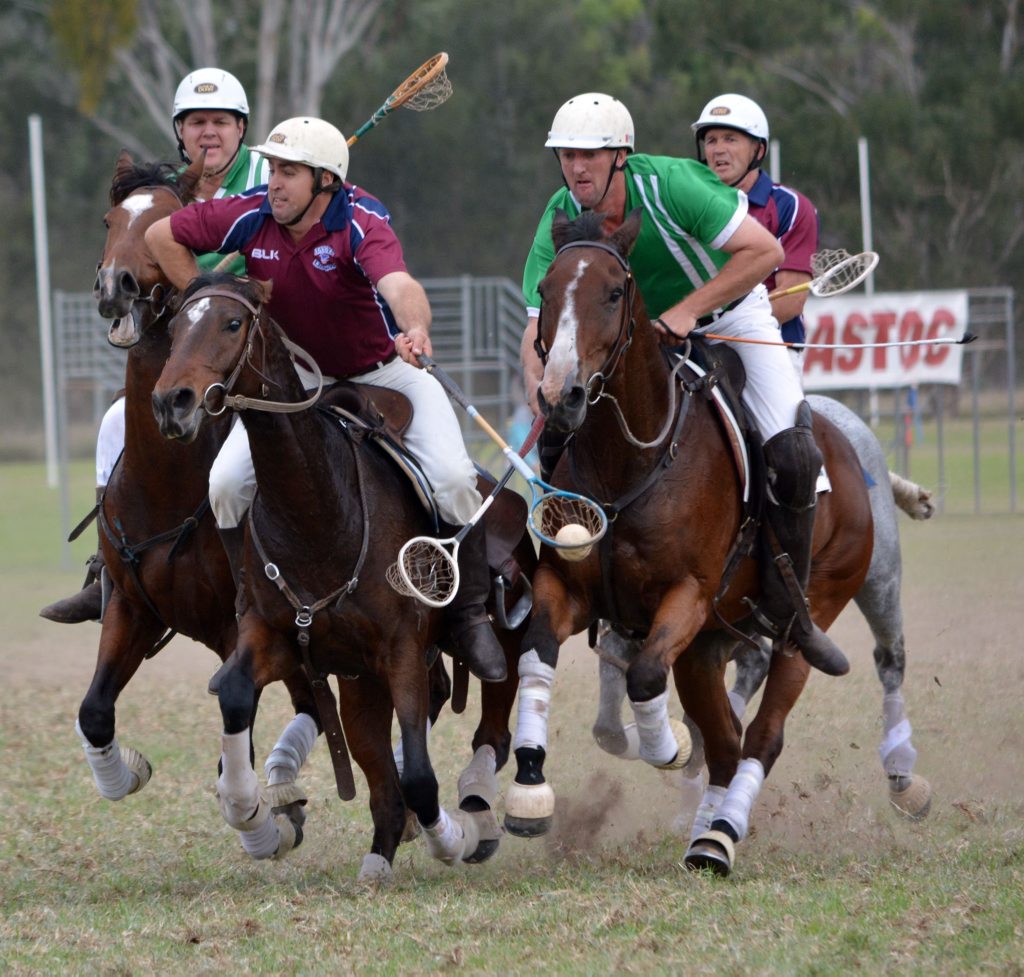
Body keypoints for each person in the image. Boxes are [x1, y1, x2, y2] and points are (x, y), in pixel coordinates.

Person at [143, 116, 507, 683]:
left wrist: (414, 327)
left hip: (385, 373)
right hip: (300, 385)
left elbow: (399, 285)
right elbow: (161, 236)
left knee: (455, 480)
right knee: (224, 486)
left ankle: (469, 614)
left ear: (326, 182)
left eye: (289, 172)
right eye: (272, 169)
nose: (275, 182)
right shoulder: (251, 211)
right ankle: (251, 609)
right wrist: (206, 294)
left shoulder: (361, 220)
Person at [519, 92, 848, 676]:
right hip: (635, 342)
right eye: (567, 155)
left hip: (731, 318)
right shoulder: (561, 215)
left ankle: (790, 612)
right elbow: (536, 321)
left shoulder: (674, 185)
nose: (577, 168)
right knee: (560, 442)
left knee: (795, 453)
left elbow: (764, 250)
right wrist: (541, 387)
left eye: (591, 155)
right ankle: (575, 578)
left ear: (622, 155)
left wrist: (691, 310)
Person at [41, 68, 269, 625]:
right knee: (116, 422)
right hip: (196, 359)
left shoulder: (271, 172)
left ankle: (269, 578)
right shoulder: (167, 193)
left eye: (220, 122)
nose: (208, 134)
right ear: (180, 131)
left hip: (262, 352)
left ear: (241, 129)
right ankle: (106, 568)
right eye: (196, 123)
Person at [691, 92, 819, 362]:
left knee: (783, 408)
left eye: (730, 139)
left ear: (758, 150)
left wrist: (715, 323)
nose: (718, 149)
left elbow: (790, 301)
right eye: (711, 140)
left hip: (772, 347)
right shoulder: (687, 203)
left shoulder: (792, 207)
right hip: (696, 347)